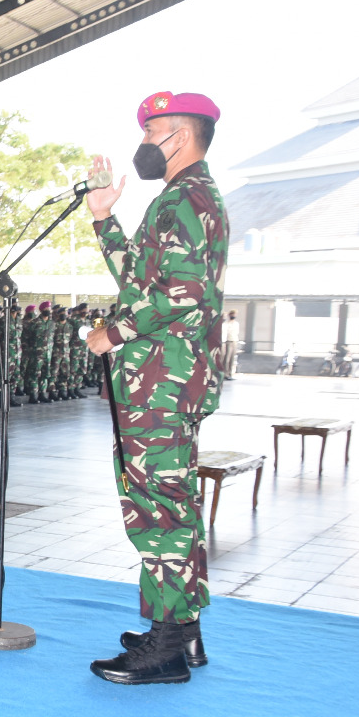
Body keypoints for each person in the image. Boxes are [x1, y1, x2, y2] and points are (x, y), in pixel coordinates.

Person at [85, 91, 228, 685]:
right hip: (156, 380)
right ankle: (183, 630)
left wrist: (112, 332)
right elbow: (140, 281)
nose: (144, 142)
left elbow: (189, 293)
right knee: (168, 502)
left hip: (161, 382)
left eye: (153, 131)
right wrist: (103, 217)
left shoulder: (191, 199)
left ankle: (166, 648)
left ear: (182, 136)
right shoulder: (175, 199)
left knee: (160, 511)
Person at [220, 309, 240, 381]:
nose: (233, 316)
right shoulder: (226, 324)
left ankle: (230, 373)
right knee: (226, 359)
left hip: (234, 341)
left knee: (232, 358)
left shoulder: (236, 324)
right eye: (232, 314)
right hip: (228, 341)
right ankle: (225, 373)